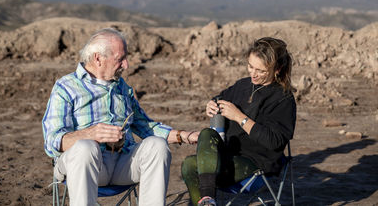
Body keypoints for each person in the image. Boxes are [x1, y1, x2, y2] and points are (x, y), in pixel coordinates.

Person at [42, 28, 199, 206]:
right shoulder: (66, 87)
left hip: (122, 164)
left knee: (157, 146)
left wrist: (184, 135)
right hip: (84, 165)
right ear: (98, 58)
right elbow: (51, 142)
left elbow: (145, 126)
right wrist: (91, 134)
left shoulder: (122, 87)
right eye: (120, 59)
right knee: (85, 148)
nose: (126, 65)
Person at [181, 37, 297, 206]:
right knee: (190, 161)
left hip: (257, 166)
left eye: (261, 70)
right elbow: (221, 97)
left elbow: (275, 141)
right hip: (227, 156)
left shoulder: (283, 99)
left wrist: (239, 117)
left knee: (196, 163)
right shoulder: (243, 85)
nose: (253, 74)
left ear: (277, 69)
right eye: (250, 66)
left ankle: (207, 198)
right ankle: (208, 201)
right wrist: (211, 105)